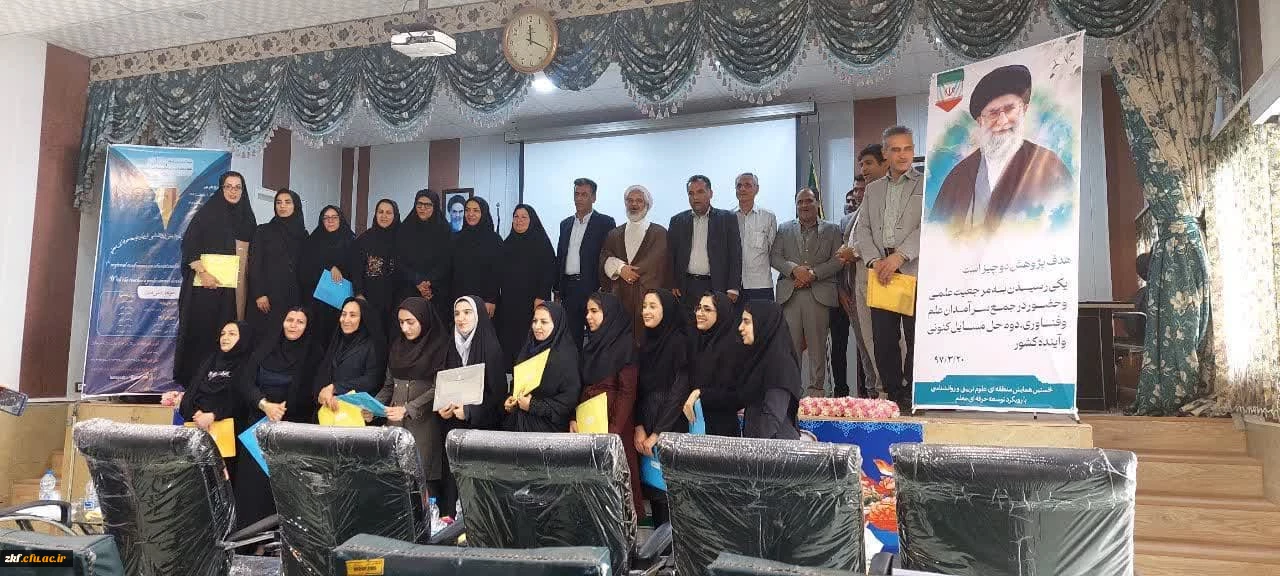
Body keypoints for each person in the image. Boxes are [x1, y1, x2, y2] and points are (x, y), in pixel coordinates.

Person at [931, 64, 1072, 232]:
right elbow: (936, 232)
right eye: (993, 113)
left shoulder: (1049, 166)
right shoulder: (958, 176)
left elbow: (1064, 224)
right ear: (980, 121)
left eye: (1010, 108)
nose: (1003, 121)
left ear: (1024, 109)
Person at [854, 125, 923, 410]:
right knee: (883, 340)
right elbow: (863, 229)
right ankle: (893, 395)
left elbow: (927, 225)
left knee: (915, 337)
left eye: (908, 148)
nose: (903, 155)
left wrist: (900, 256)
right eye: (895, 149)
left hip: (912, 269)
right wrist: (874, 261)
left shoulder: (926, 183)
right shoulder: (873, 189)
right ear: (886, 153)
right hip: (880, 271)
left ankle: (914, 393)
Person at [234, 307, 317, 529]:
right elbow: (245, 382)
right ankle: (249, 539)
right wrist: (265, 405)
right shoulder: (266, 347)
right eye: (290, 319)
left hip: (290, 430)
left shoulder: (313, 353)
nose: (293, 325)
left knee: (280, 489)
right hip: (257, 426)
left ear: (307, 326)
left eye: (300, 321)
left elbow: (311, 392)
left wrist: (281, 410)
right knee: (252, 488)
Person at [174, 171, 256, 386]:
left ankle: (223, 384)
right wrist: (203, 273)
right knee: (204, 334)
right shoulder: (208, 214)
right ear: (221, 189)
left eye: (238, 187)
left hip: (233, 292)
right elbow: (189, 245)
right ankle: (195, 383)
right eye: (228, 186)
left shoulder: (248, 218)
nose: (233, 191)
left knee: (230, 333)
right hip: (205, 289)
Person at [436, 296, 508, 517]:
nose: (461, 318)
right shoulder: (450, 345)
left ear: (478, 316)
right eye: (457, 313)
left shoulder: (491, 348)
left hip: (480, 430)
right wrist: (442, 408)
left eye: (467, 312)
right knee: (451, 484)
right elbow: (444, 384)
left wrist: (469, 411)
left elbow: (498, 397)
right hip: (453, 427)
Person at [573, 292, 642, 514]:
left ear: (610, 314)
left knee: (618, 485)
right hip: (589, 424)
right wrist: (574, 418)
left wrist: (612, 431)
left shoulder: (625, 346)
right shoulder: (591, 346)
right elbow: (581, 385)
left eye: (594, 311)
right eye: (587, 311)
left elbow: (627, 392)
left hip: (615, 428)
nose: (588, 317)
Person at [377, 297, 450, 503]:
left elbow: (439, 389)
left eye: (410, 322)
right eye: (401, 322)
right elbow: (389, 385)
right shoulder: (397, 346)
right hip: (395, 425)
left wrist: (408, 408)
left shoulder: (440, 346)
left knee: (423, 485)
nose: (405, 328)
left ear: (424, 320)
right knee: (396, 485)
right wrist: (373, 406)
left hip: (424, 427)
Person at [772, 188, 843, 397]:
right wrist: (795, 270)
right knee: (790, 348)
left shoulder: (832, 230)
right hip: (791, 294)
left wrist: (813, 274)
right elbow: (775, 257)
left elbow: (839, 260)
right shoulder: (784, 229)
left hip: (818, 294)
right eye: (800, 202)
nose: (804, 205)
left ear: (817, 203)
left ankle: (816, 393)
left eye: (809, 201)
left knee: (817, 347)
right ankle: (792, 392)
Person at [634, 289, 691, 527]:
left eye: (653, 306)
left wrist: (658, 433)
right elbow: (637, 390)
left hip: (670, 428)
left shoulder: (678, 342)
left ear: (666, 310)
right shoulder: (645, 342)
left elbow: (678, 392)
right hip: (646, 428)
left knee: (671, 499)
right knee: (654, 493)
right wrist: (639, 427)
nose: (646, 311)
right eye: (644, 306)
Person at [601, 185, 674, 340]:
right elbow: (605, 258)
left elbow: (660, 264)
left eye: (639, 201)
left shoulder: (659, 233)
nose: (634, 204)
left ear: (647, 205)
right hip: (620, 298)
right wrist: (620, 269)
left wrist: (632, 273)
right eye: (630, 200)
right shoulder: (614, 234)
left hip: (648, 299)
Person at [669, 175, 742, 314]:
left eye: (700, 192)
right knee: (688, 325)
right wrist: (672, 283)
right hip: (686, 287)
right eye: (691, 193)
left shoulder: (727, 219)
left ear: (710, 193)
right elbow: (671, 255)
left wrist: (733, 288)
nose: (695, 197)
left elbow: (735, 255)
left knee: (714, 325)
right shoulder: (677, 221)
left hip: (716, 286)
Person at [555, 178, 617, 345]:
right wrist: (557, 290)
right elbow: (560, 257)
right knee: (570, 339)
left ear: (593, 198)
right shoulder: (565, 224)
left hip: (593, 289)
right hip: (569, 290)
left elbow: (609, 255)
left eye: (584, 194)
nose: (579, 198)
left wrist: (605, 287)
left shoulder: (605, 223)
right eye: (576, 194)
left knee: (596, 338)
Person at [503, 302, 582, 432]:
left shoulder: (566, 357)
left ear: (557, 325)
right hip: (520, 422)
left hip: (548, 430)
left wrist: (533, 406)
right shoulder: (528, 349)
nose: (537, 326)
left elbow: (568, 401)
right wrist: (512, 399)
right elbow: (518, 383)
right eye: (535, 321)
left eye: (544, 322)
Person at [497, 204, 557, 370]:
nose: (519, 220)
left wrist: (541, 296)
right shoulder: (507, 243)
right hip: (510, 304)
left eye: (524, 217)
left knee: (531, 342)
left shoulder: (541, 243)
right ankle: (514, 379)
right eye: (516, 217)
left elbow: (549, 271)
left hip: (533, 303)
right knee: (512, 343)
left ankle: (531, 381)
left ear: (532, 220)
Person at [247, 189, 307, 340]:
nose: (282, 206)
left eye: (287, 202)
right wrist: (259, 294)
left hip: (293, 296)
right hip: (268, 297)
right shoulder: (263, 231)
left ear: (296, 206)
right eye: (278, 202)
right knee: (265, 337)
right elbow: (255, 264)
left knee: (287, 336)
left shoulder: (303, 235)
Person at [737, 301, 802, 439]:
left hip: (776, 447)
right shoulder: (759, 359)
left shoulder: (780, 363)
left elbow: (772, 418)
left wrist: (755, 450)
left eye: (746, 322)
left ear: (763, 323)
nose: (740, 327)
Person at [684, 292, 744, 437]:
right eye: (698, 308)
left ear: (721, 313)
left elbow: (737, 396)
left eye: (707, 309)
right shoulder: (694, 342)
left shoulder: (733, 347)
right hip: (693, 426)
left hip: (721, 432)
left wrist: (701, 393)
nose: (700, 313)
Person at [299, 205, 355, 354]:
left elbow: (356, 268)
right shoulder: (313, 241)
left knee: (338, 338)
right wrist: (330, 267)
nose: (330, 221)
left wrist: (339, 269)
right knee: (317, 340)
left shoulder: (351, 241)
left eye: (334, 217)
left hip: (341, 301)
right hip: (317, 301)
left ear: (340, 219)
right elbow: (305, 268)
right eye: (326, 218)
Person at [315, 297, 383, 415]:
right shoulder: (337, 340)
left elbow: (372, 379)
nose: (346, 320)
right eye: (343, 314)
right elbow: (324, 371)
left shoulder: (372, 345)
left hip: (356, 412)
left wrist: (335, 387)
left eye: (353, 315)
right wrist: (322, 393)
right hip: (330, 410)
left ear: (363, 318)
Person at [398, 190, 453, 323]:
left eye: (428, 205)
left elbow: (447, 261)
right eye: (419, 204)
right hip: (409, 287)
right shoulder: (405, 229)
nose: (423, 208)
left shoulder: (444, 230)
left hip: (437, 291)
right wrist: (417, 282)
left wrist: (428, 283)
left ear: (435, 206)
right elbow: (399, 260)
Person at [352, 199, 402, 344]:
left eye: (388, 213)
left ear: (395, 216)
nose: (384, 216)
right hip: (370, 299)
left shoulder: (402, 239)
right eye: (380, 212)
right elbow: (356, 269)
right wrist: (359, 294)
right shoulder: (364, 240)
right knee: (371, 340)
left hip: (396, 299)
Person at [450, 197, 503, 318]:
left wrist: (491, 299)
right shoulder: (456, 239)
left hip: (485, 301)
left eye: (476, 210)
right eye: (467, 210)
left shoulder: (494, 240)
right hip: (460, 299)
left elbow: (497, 273)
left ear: (483, 213)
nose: (471, 214)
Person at [734, 173, 778, 304]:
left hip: (761, 285)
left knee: (763, 318)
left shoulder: (768, 217)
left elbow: (773, 250)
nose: (742, 189)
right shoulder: (728, 217)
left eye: (747, 185)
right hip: (734, 287)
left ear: (757, 189)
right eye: (739, 186)